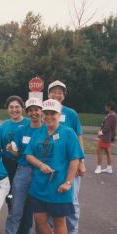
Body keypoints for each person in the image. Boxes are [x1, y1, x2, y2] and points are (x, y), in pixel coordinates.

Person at [25, 99, 85, 234]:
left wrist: (68, 182)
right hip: (39, 186)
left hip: (59, 187)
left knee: (59, 222)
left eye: (53, 113)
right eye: (46, 113)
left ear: (59, 115)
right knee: (39, 220)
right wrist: (40, 165)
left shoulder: (68, 133)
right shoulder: (38, 133)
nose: (49, 116)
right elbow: (28, 154)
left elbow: (75, 159)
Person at [48, 80, 86, 234]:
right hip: (51, 164)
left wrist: (81, 162)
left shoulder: (71, 113)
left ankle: (72, 231)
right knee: (50, 198)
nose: (57, 94)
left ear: (64, 95)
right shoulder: (45, 111)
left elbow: (79, 137)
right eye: (54, 91)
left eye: (60, 92)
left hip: (71, 163)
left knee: (72, 201)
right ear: (48, 93)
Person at [5, 98, 43, 234]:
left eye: (36, 110)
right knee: (15, 210)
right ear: (27, 112)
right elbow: (17, 153)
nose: (34, 113)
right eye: (31, 110)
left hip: (41, 172)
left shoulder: (47, 130)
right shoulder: (21, 131)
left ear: (41, 111)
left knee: (41, 213)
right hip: (23, 171)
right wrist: (12, 150)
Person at [0, 95, 30, 211]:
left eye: (17, 107)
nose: (14, 110)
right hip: (8, 164)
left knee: (24, 195)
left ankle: (23, 224)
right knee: (10, 195)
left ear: (22, 108)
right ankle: (13, 216)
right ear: (7, 109)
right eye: (11, 107)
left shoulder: (28, 123)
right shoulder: (4, 126)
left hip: (24, 163)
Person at [94, 101, 117, 174]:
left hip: (105, 137)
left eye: (106, 106)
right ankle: (109, 168)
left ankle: (98, 167)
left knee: (99, 151)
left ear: (109, 107)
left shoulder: (111, 116)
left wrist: (100, 133)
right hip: (108, 137)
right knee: (108, 152)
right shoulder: (112, 115)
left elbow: (107, 127)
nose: (105, 107)